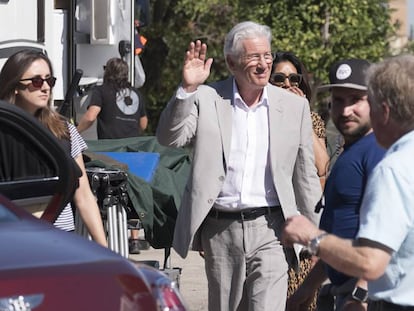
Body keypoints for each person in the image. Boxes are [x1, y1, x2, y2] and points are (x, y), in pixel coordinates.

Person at [156, 21, 322, 311]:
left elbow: (305, 176)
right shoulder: (207, 98)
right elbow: (170, 137)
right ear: (232, 62)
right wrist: (187, 89)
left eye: (267, 56)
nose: (263, 64)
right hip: (221, 229)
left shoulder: (294, 106)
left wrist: (317, 236)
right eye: (253, 57)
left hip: (272, 229)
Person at [282, 54, 414, 310]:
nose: (345, 110)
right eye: (338, 100)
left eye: (360, 101)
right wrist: (307, 288)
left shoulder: (388, 162)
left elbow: (373, 260)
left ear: (382, 109)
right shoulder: (371, 153)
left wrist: (311, 236)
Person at [0, 49, 107, 247]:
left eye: (49, 80)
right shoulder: (4, 132)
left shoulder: (64, 130)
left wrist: (106, 251)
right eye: (37, 81)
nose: (46, 88)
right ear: (15, 86)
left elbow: (83, 195)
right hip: (11, 241)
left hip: (60, 239)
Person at [77, 57, 148, 254]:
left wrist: (73, 131)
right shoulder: (136, 94)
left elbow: (91, 116)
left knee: (107, 191)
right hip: (133, 151)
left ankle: (103, 234)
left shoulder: (101, 91)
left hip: (110, 152)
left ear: (108, 72)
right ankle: (134, 240)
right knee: (131, 191)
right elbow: (143, 123)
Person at [271, 52, 329, 188]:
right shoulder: (259, 116)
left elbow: (322, 167)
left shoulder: (312, 118)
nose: (287, 84)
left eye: (293, 78)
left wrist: (301, 114)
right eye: (279, 78)